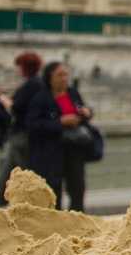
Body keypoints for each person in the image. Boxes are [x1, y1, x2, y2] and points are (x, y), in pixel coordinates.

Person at [25, 61, 94, 211]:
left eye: (65, 75)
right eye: (59, 75)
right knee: (53, 189)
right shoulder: (41, 98)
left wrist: (86, 113)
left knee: (77, 187)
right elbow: (32, 124)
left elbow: (82, 111)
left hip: (74, 149)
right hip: (51, 152)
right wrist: (59, 122)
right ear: (50, 77)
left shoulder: (73, 93)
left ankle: (77, 219)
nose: (64, 78)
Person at [0, 51, 44, 205]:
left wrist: (1, 98)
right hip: (28, 137)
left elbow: (16, 108)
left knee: (14, 173)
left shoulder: (30, 85)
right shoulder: (38, 84)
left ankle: (1, 201)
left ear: (24, 67)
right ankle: (7, 200)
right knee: (18, 172)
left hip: (20, 137)